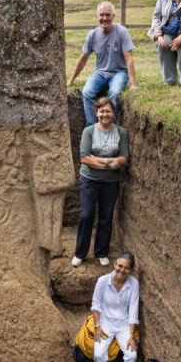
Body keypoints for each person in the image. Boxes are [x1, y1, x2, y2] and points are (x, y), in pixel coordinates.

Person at [72, 97, 129, 267]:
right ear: (96, 112)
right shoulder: (89, 131)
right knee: (87, 215)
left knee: (106, 217)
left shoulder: (121, 132)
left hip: (111, 183)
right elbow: (85, 158)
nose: (105, 114)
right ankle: (80, 253)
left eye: (108, 111)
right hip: (89, 180)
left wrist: (101, 161)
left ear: (113, 113)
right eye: (101, 111)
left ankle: (101, 252)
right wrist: (107, 163)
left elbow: (124, 158)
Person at [68, 1, 138, 125]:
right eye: (101, 15)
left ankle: (111, 125)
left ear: (113, 16)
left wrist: (133, 83)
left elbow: (129, 59)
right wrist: (71, 79)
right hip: (100, 73)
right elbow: (83, 59)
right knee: (86, 92)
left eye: (107, 15)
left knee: (115, 92)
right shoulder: (92, 35)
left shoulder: (121, 32)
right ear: (97, 17)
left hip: (119, 72)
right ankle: (92, 126)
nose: (104, 18)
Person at [92, 252, 140, 362]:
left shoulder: (133, 283)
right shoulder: (103, 281)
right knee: (99, 354)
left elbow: (133, 310)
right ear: (114, 265)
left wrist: (131, 336)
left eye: (126, 268)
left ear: (131, 270)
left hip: (123, 325)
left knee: (132, 355)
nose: (122, 270)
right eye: (120, 266)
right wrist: (97, 326)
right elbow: (96, 304)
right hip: (105, 323)